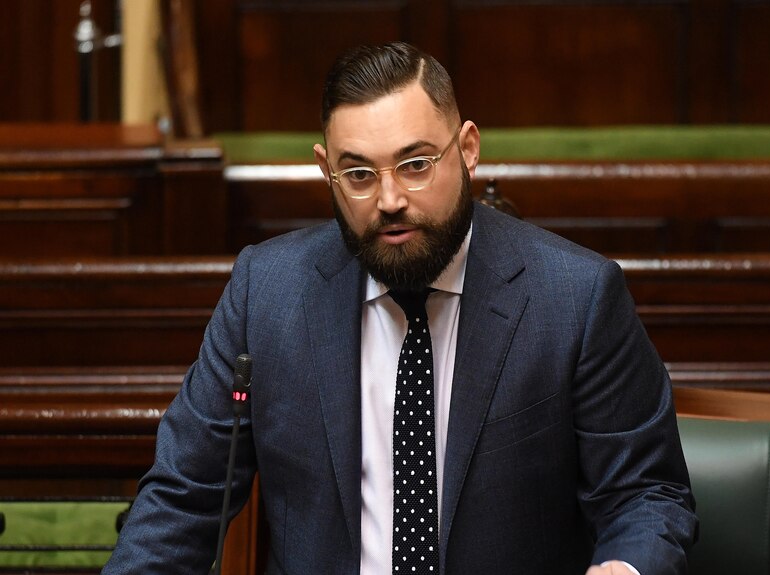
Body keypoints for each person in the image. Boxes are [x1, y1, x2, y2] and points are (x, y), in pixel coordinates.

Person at [104, 42, 697, 574]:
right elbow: (182, 497)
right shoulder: (269, 291)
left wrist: (623, 566)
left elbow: (646, 495)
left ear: (467, 149)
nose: (389, 200)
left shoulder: (575, 297)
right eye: (359, 174)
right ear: (326, 171)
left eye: (416, 165)